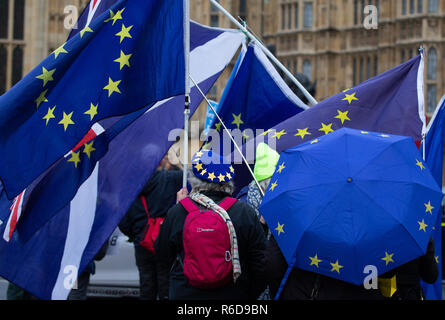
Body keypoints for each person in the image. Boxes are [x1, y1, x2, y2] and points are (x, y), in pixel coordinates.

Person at [155, 150, 267, 300]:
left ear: (193, 179)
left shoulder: (178, 212)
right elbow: (262, 261)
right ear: (227, 181)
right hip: (233, 295)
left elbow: (162, 256)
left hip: (186, 294)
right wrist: (248, 293)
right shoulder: (243, 212)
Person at [118, 155, 183, 300]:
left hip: (141, 241)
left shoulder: (130, 184)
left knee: (146, 284)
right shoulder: (168, 179)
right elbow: (187, 176)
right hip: (164, 240)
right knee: (166, 282)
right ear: (160, 160)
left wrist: (136, 235)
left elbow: (122, 219)